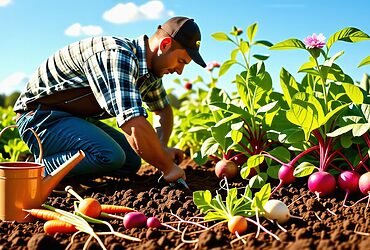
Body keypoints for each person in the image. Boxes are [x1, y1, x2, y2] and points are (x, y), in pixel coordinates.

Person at [13, 16, 206, 186]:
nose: (180, 71)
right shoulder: (117, 56)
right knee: (109, 155)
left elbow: (162, 110)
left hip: (70, 119)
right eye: (181, 61)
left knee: (130, 161)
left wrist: (160, 148)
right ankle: (29, 170)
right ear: (164, 45)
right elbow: (133, 124)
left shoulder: (149, 72)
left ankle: (65, 175)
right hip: (39, 118)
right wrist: (167, 166)